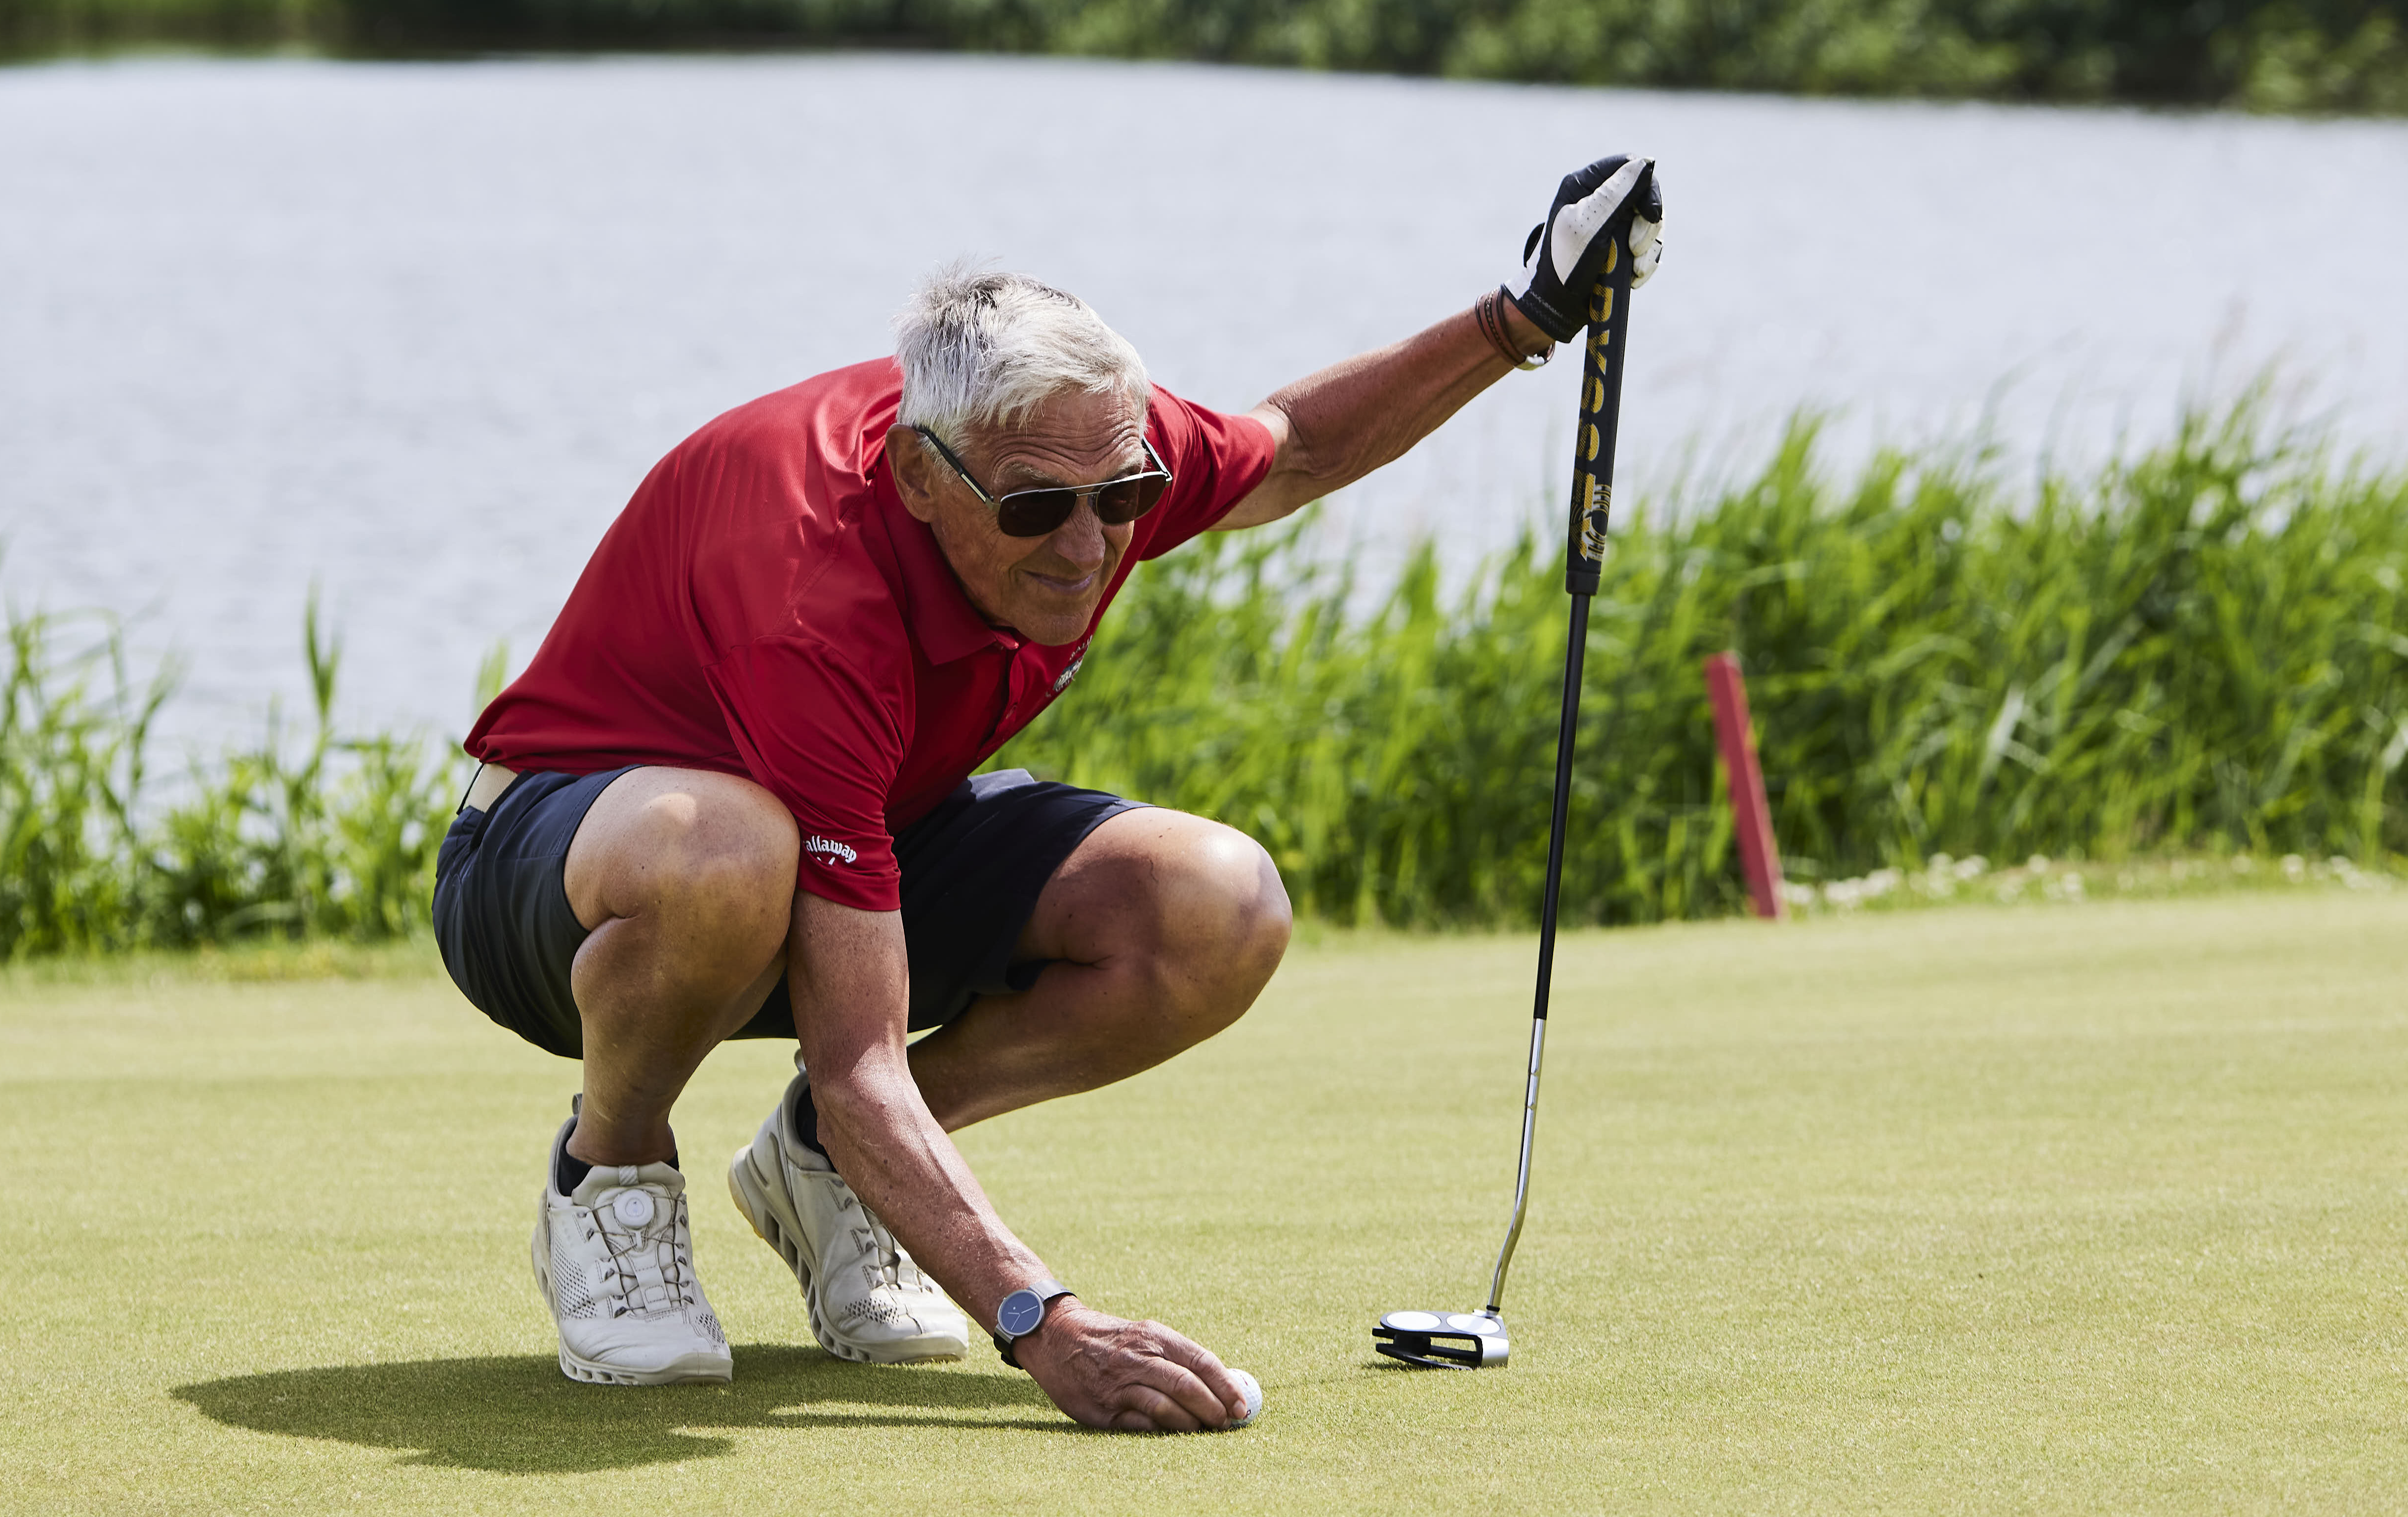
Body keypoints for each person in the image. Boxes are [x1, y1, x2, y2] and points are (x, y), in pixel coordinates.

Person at [433, 155, 1663, 1433]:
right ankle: (611, 1171)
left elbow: (1294, 451)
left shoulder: (1076, 438)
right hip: (559, 869)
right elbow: (861, 1055)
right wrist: (1040, 1321)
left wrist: (1524, 319)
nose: (1087, 547)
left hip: (858, 825)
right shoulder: (810, 595)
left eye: (1122, 499)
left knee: (1214, 906)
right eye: (1038, 511)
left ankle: (823, 1173)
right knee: (728, 851)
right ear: (922, 477)